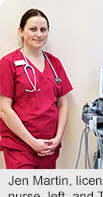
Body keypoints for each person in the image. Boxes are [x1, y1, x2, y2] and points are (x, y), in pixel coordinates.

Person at [0, 9, 73, 169]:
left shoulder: (55, 64)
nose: (39, 34)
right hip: (19, 146)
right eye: (33, 29)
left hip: (48, 146)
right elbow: (4, 109)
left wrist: (58, 138)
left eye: (43, 29)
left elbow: (63, 104)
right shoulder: (8, 63)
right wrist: (33, 143)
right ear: (21, 31)